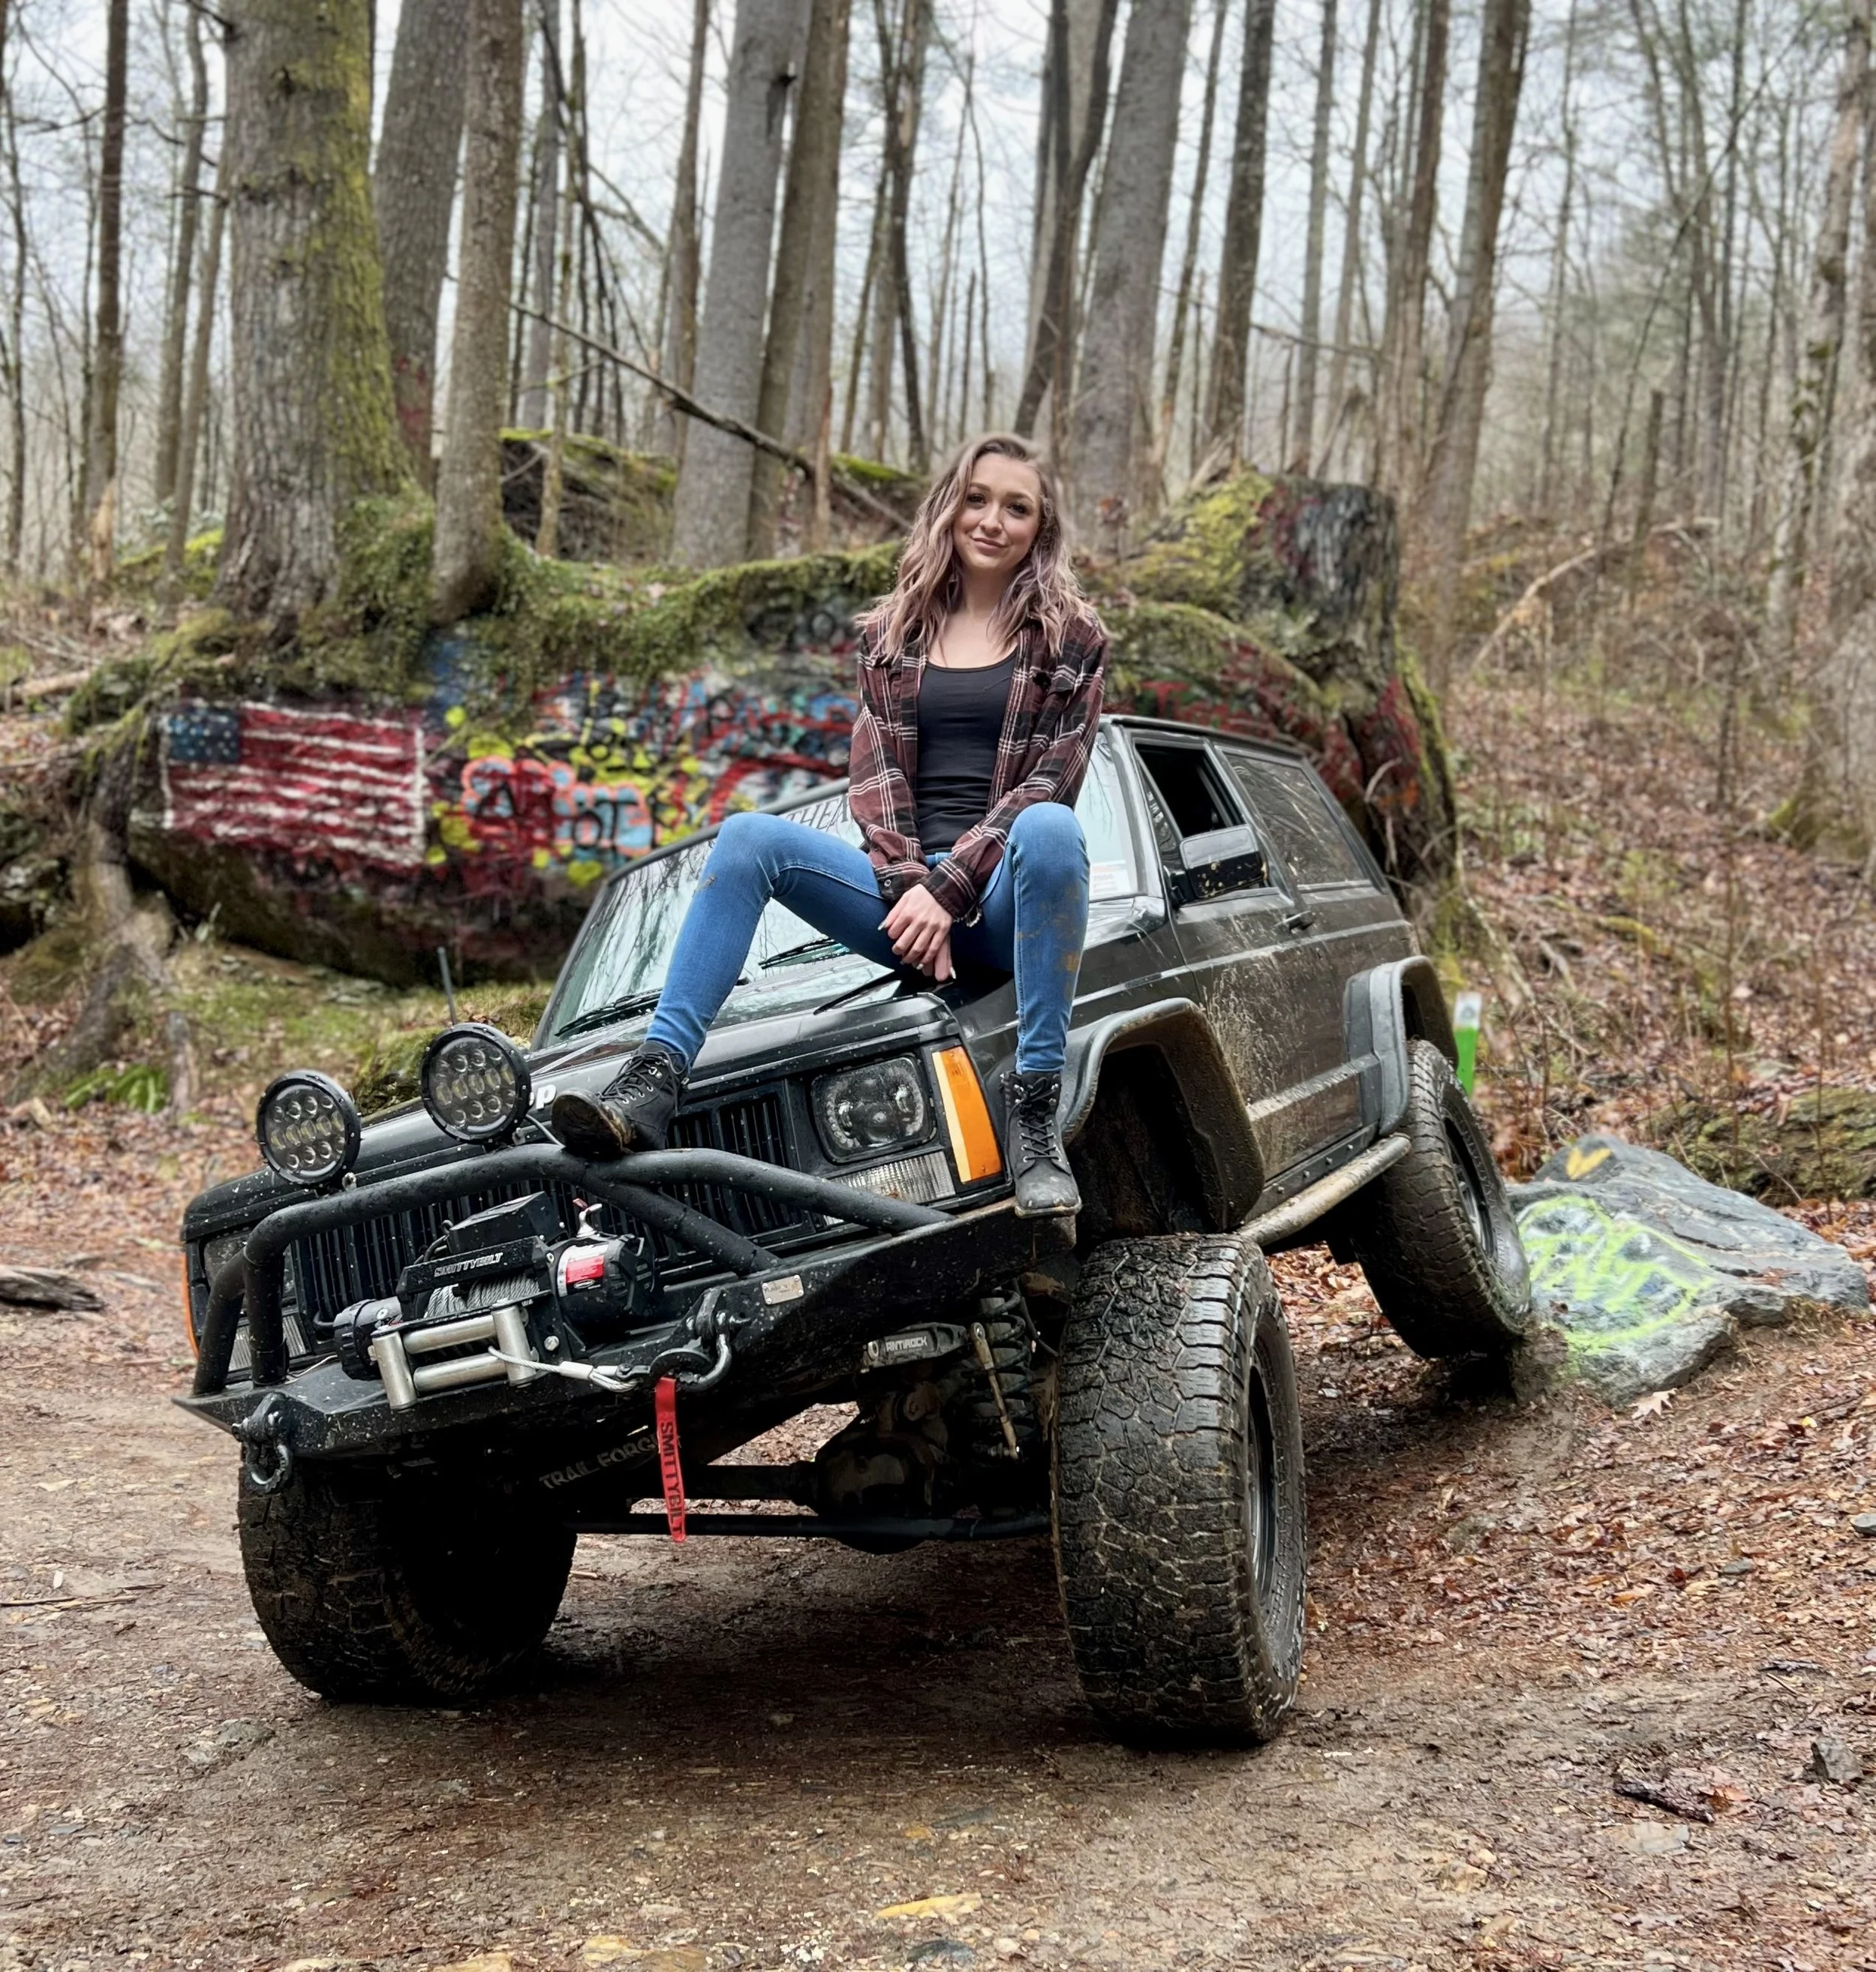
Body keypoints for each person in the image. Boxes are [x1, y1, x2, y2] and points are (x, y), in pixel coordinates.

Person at [552, 433, 1108, 1218]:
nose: (991, 521)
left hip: (1005, 916)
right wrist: (912, 888)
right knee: (747, 838)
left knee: (1051, 828)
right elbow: (875, 784)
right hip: (904, 907)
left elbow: (1052, 777)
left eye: (1016, 507)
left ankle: (1033, 1111)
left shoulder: (1073, 641)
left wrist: (946, 893)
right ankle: (652, 1081)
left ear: (1041, 527)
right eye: (977, 499)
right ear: (949, 505)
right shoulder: (889, 637)